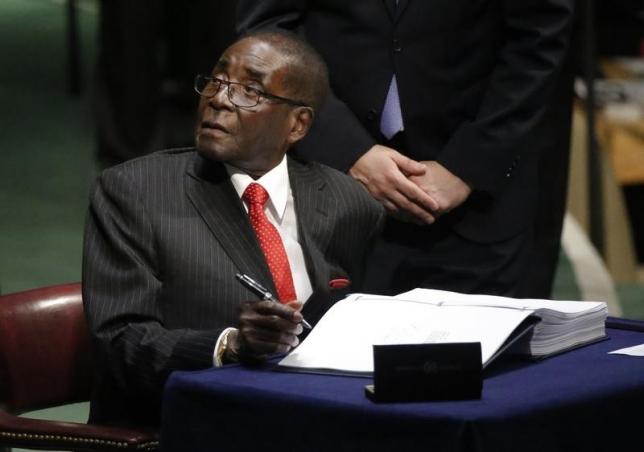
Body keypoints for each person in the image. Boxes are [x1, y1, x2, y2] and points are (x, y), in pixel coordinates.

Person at [82, 30, 384, 428]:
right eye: (217, 80)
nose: (220, 99)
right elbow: (119, 343)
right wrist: (230, 345)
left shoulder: (351, 203)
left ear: (298, 124)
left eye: (250, 91)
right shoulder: (135, 191)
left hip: (320, 418)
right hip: (197, 424)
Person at [237, 0, 577, 298]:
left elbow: (540, 37)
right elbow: (268, 31)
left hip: (477, 206)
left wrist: (467, 165)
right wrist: (350, 151)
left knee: (478, 366)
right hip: (325, 193)